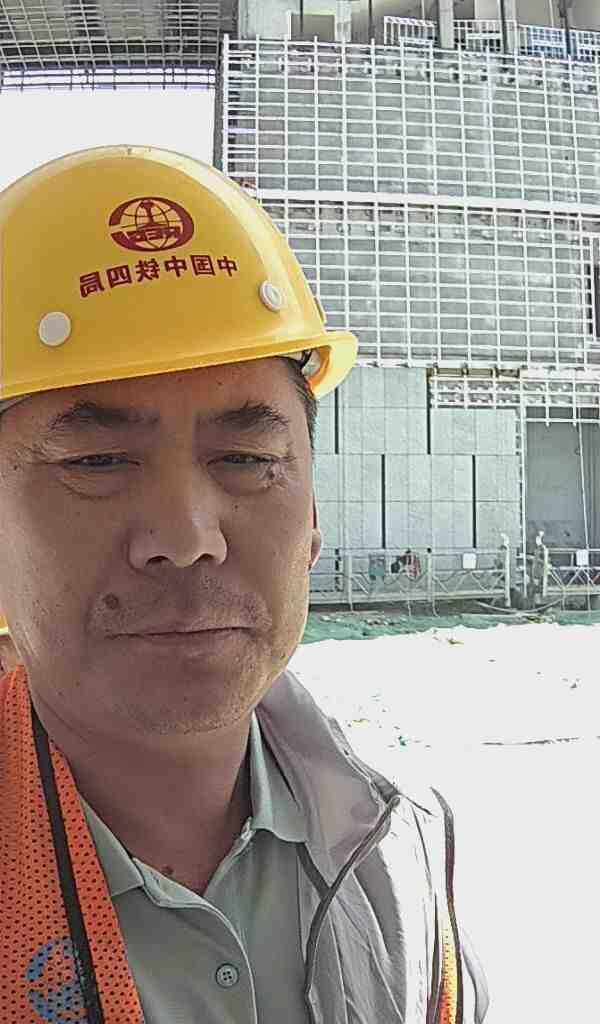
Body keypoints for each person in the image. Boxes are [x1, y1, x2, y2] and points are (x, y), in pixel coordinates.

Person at [0, 147, 488, 1023]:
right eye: (97, 461)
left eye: (248, 458)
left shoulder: (403, 859)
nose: (187, 538)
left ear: (313, 517)